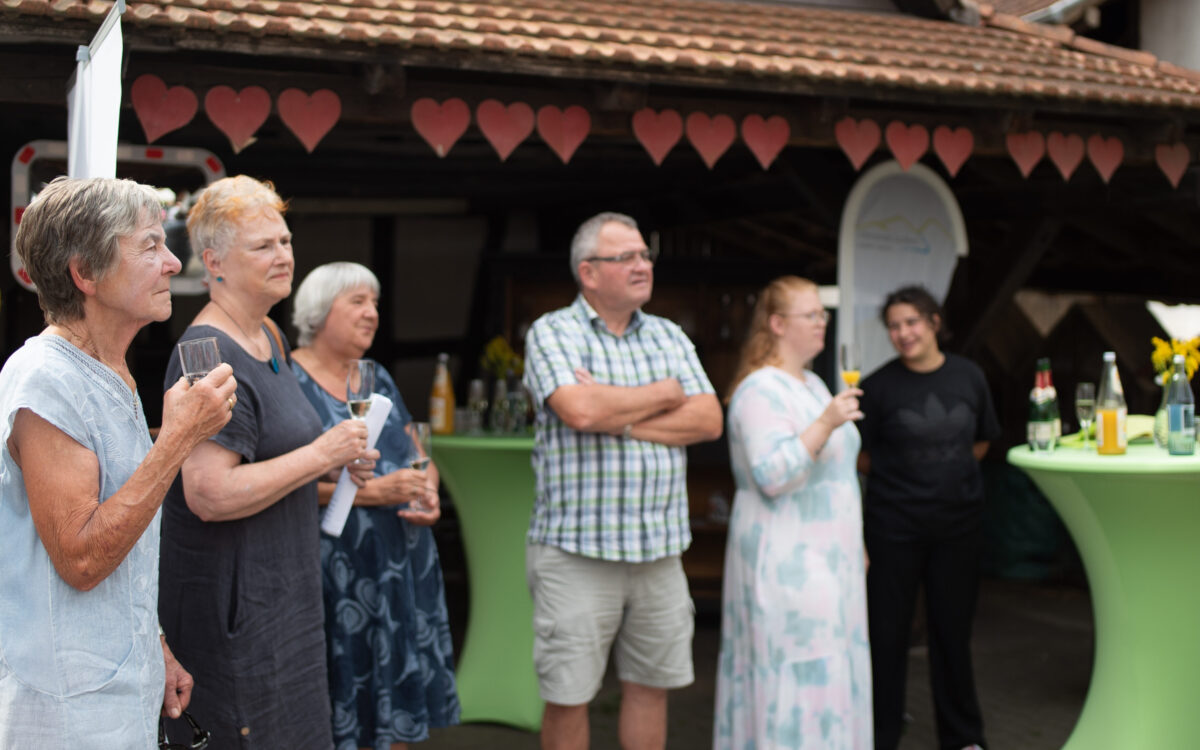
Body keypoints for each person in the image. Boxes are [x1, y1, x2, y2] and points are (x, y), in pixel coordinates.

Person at [0, 176, 236, 747]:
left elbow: (120, 535)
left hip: (114, 691)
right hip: (68, 710)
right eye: (150, 245)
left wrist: (152, 647)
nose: (174, 263)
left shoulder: (110, 370)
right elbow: (81, 558)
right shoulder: (47, 377)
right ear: (85, 274)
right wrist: (177, 441)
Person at [158, 176, 376, 749]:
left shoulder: (270, 334)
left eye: (284, 241)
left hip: (287, 595)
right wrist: (320, 454)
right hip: (235, 614)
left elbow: (277, 454)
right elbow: (208, 494)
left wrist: (335, 465)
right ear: (215, 263)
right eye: (263, 246)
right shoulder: (202, 354)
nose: (283, 255)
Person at [522, 212, 723, 750]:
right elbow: (580, 411)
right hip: (576, 553)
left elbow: (708, 420)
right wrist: (664, 392)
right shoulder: (552, 332)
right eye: (626, 257)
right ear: (588, 273)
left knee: (650, 689)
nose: (643, 265)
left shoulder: (668, 334)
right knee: (568, 697)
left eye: (645, 255)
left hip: (658, 552)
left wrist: (622, 413)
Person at [290, 262, 461, 749]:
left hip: (400, 564)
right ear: (321, 312)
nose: (372, 314)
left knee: (397, 698)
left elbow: (418, 450)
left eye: (375, 304)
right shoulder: (289, 380)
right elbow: (284, 483)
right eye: (358, 302)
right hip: (337, 572)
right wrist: (373, 494)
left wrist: (427, 489)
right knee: (341, 695)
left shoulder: (376, 375)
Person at [713, 275, 872, 749]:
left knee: (833, 670)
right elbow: (772, 474)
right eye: (812, 315)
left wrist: (855, 543)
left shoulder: (814, 382)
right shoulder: (760, 390)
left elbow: (837, 473)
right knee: (797, 673)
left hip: (832, 559)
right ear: (778, 324)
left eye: (823, 314)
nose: (823, 323)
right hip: (788, 563)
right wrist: (826, 422)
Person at [857, 286, 999, 750]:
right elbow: (859, 456)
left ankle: (963, 739)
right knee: (887, 637)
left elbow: (981, 442)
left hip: (958, 529)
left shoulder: (970, 376)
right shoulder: (877, 387)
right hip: (892, 530)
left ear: (934, 322)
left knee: (952, 638)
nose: (903, 334)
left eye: (911, 323)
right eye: (894, 326)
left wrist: (944, 473)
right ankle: (879, 735)